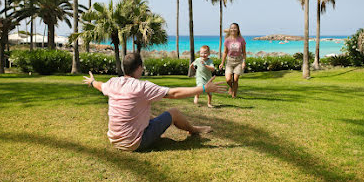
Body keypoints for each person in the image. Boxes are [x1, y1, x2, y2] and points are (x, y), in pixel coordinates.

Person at [83, 53, 226, 152]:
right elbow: (174, 93)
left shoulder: (113, 83)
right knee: (173, 113)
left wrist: (92, 81)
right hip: (135, 143)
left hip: (115, 140)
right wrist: (203, 88)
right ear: (139, 67)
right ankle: (194, 130)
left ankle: (192, 129)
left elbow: (100, 85)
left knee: (147, 113)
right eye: (142, 67)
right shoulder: (142, 86)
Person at [219, 23, 246, 98]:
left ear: (238, 29)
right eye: (232, 28)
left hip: (239, 61)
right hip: (229, 61)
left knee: (235, 79)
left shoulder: (241, 40)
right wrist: (222, 63)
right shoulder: (227, 40)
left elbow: (244, 53)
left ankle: (234, 95)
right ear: (230, 29)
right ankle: (231, 87)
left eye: (235, 28)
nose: (233, 29)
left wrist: (244, 62)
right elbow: (225, 52)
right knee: (228, 80)